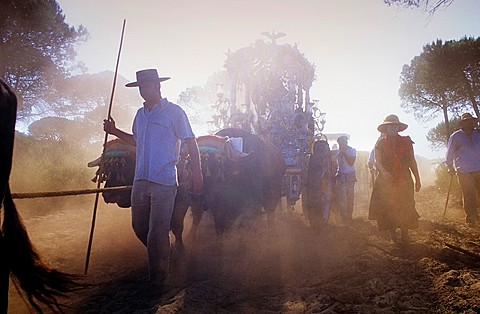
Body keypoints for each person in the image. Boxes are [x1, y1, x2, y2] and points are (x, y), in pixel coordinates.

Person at [103, 69, 203, 285]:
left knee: (157, 232)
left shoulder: (175, 112)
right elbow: (136, 140)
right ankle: (169, 254)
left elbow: (190, 141)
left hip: (164, 181)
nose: (142, 90)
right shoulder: (140, 115)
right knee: (139, 227)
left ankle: (158, 281)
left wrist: (197, 172)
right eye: (140, 86)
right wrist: (114, 131)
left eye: (146, 85)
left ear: (157, 86)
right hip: (140, 180)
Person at [368, 114, 421, 243]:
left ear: (398, 127)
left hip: (404, 178)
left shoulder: (407, 142)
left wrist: (417, 179)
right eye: (390, 125)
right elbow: (377, 162)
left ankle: (405, 234)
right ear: (386, 128)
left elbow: (412, 161)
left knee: (405, 204)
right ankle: (393, 235)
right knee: (388, 206)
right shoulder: (380, 144)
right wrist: (385, 173)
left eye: (395, 125)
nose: (392, 128)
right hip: (386, 180)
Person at [445, 112, 480, 226]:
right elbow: (449, 153)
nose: (471, 123)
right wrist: (449, 166)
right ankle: (472, 219)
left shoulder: (478, 133)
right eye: (468, 121)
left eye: (472, 121)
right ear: (463, 124)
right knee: (469, 194)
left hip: (478, 168)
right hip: (464, 170)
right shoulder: (455, 136)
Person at [334, 135, 356, 224]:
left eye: (342, 143)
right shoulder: (337, 152)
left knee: (350, 196)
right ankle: (344, 217)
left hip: (350, 175)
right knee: (342, 198)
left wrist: (343, 153)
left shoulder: (352, 150)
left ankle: (349, 215)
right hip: (341, 175)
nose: (341, 145)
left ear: (346, 143)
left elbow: (351, 163)